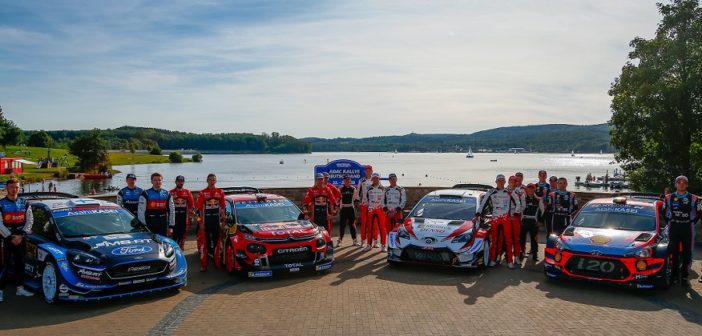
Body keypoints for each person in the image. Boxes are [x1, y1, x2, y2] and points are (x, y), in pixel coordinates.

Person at [474, 174, 520, 269]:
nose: (501, 182)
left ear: (505, 182)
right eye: (499, 180)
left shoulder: (510, 192)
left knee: (508, 240)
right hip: (495, 218)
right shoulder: (491, 192)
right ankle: (492, 260)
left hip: (506, 218)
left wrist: (515, 215)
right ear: (496, 181)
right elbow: (483, 204)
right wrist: (477, 215)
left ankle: (510, 261)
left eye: (502, 180)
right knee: (494, 240)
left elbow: (518, 203)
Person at [0, 178, 35, 301]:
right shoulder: (1, 203)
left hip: (21, 237)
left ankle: (20, 289)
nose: (14, 189)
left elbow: (30, 220)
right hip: (5, 238)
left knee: (21, 264)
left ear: (19, 188)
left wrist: (22, 235)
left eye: (17, 187)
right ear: (6, 189)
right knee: (4, 265)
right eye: (12, 187)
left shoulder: (24, 202)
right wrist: (10, 236)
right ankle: (0, 291)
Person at [663, 176, 702, 286]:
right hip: (674, 227)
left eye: (684, 182)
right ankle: (674, 276)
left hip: (687, 228)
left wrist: (690, 222)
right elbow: (664, 212)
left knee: (687, 253)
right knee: (673, 252)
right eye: (679, 182)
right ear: (675, 184)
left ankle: (684, 276)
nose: (681, 184)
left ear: (687, 185)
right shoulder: (668, 197)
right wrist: (671, 222)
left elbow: (698, 213)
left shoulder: (694, 198)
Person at [196, 173, 226, 272]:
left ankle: (217, 263)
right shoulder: (202, 193)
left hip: (216, 223)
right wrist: (200, 223)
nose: (212, 182)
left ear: (216, 181)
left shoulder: (220, 192)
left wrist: (223, 222)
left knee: (217, 243)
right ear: (207, 181)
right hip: (205, 223)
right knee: (205, 244)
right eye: (210, 180)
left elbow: (223, 209)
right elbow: (197, 211)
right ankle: (204, 265)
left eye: (213, 180)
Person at [138, 173, 175, 237]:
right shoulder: (145, 193)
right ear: (151, 181)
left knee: (163, 243)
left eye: (159, 180)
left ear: (162, 181)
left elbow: (172, 210)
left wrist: (171, 226)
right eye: (155, 180)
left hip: (163, 224)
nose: (157, 182)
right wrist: (143, 225)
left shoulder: (167, 194)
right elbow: (141, 211)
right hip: (149, 224)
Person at [170, 175, 195, 250]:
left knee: (183, 235)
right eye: (179, 181)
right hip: (174, 218)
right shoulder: (171, 192)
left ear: (183, 182)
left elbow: (191, 205)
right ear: (176, 182)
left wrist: (191, 217)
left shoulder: (187, 192)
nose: (180, 182)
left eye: (182, 181)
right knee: (173, 235)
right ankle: (174, 249)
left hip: (184, 218)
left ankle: (181, 249)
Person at [362, 173, 386, 252]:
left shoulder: (382, 188)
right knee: (370, 228)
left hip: (380, 210)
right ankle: (369, 244)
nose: (375, 180)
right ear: (372, 179)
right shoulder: (368, 188)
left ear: (379, 179)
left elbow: (384, 200)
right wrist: (369, 207)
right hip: (371, 210)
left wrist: (382, 208)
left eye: (377, 178)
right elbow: (365, 199)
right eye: (374, 178)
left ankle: (383, 245)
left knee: (382, 228)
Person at [520, 183, 543, 261]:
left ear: (534, 189)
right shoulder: (523, 198)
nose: (530, 190)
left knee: (534, 239)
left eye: (532, 188)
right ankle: (521, 252)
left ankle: (535, 254)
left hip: (534, 221)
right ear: (526, 189)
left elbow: (542, 211)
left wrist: (540, 221)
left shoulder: (538, 199)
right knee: (522, 238)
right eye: (529, 188)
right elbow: (519, 210)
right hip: (524, 220)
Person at [354, 165, 374, 247]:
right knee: (364, 224)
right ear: (365, 171)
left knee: (372, 224)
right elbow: (358, 192)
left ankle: (373, 240)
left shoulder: (375, 180)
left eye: (369, 170)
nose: (368, 171)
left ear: (372, 171)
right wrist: (357, 201)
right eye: (367, 170)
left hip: (373, 206)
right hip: (364, 205)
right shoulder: (361, 181)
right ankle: (363, 240)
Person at [337, 175, 359, 247]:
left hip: (350, 208)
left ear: (350, 180)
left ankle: (354, 240)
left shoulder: (353, 188)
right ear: (343, 180)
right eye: (345, 180)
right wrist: (336, 207)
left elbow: (356, 198)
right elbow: (337, 199)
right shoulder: (340, 188)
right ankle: (339, 240)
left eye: (348, 180)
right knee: (342, 225)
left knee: (352, 225)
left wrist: (357, 204)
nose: (347, 181)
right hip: (343, 208)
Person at [510, 175, 525, 262]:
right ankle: (506, 256)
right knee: (506, 237)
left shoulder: (521, 192)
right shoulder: (504, 191)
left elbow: (523, 206)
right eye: (512, 181)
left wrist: (516, 213)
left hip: (516, 217)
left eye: (515, 181)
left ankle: (516, 256)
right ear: (509, 182)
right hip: (506, 217)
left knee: (516, 238)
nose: (513, 183)